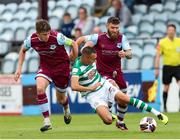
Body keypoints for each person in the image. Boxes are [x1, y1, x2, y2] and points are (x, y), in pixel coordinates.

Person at [71, 46, 168, 128]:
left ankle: (158, 113)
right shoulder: (77, 68)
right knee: (108, 121)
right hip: (91, 94)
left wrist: (109, 75)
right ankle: (107, 109)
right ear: (86, 57)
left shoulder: (91, 60)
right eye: (93, 59)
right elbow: (74, 86)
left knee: (125, 98)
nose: (95, 60)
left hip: (103, 85)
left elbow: (99, 70)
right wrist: (90, 88)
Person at [14, 19, 78, 132]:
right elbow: (23, 50)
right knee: (39, 89)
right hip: (46, 67)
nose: (48, 36)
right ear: (38, 34)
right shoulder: (31, 40)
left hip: (61, 68)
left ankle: (66, 108)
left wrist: (73, 56)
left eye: (48, 33)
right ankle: (47, 121)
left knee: (61, 100)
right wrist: (19, 68)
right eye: (44, 34)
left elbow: (73, 43)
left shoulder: (57, 37)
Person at [76, 16, 132, 130]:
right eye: (112, 27)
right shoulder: (98, 38)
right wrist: (83, 52)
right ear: (107, 26)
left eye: (117, 28)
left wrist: (125, 54)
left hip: (117, 72)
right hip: (102, 74)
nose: (115, 30)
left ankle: (120, 121)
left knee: (124, 99)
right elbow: (82, 40)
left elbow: (130, 54)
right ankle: (108, 109)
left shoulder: (122, 38)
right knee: (113, 86)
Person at [154, 24, 180, 112]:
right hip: (167, 67)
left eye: (172, 30)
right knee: (166, 87)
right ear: (167, 31)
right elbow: (158, 56)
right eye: (169, 30)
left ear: (175, 31)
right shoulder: (162, 42)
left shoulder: (179, 41)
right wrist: (156, 68)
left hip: (178, 66)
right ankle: (165, 107)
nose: (171, 32)